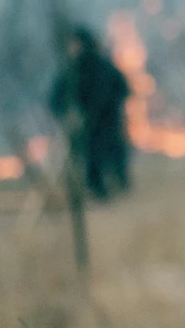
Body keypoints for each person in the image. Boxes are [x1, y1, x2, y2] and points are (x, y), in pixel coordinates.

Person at [49, 27, 131, 200]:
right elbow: (56, 99)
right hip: (86, 124)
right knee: (92, 157)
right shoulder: (72, 71)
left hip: (108, 121)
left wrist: (109, 105)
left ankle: (117, 183)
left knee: (113, 154)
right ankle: (99, 190)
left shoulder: (103, 67)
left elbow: (122, 89)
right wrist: (68, 114)